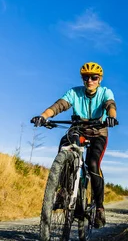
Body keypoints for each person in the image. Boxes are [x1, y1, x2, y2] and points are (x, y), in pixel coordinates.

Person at [30, 62, 118, 228]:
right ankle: (64, 190)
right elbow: (59, 105)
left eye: (94, 77)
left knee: (93, 164)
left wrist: (111, 117)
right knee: (65, 143)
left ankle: (99, 207)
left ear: (100, 80)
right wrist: (43, 116)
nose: (90, 80)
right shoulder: (74, 93)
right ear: (82, 79)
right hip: (78, 129)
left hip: (98, 132)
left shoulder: (105, 92)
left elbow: (110, 105)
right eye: (86, 77)